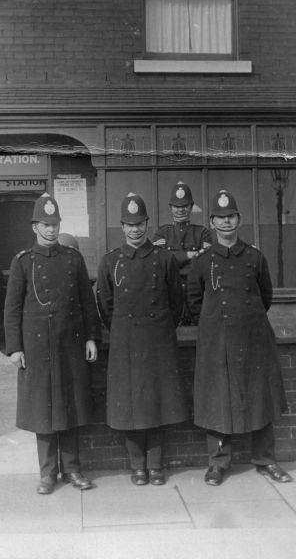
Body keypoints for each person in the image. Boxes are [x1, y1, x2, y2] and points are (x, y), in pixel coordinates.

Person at [187, 189, 292, 486]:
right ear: (212, 222)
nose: (226, 223)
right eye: (220, 218)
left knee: (260, 400)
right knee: (218, 402)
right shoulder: (202, 261)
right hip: (217, 343)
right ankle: (218, 464)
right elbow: (195, 301)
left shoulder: (255, 257)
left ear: (239, 220)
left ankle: (266, 459)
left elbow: (265, 296)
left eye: (230, 217)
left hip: (254, 339)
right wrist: (216, 326)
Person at [4, 193, 101, 495]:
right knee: (43, 410)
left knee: (70, 407)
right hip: (37, 349)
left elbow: (88, 303)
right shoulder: (23, 262)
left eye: (55, 224)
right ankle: (48, 473)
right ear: (34, 226)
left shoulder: (73, 259)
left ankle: (72, 469)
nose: (51, 230)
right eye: (45, 224)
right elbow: (12, 308)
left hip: (69, 345)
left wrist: (91, 337)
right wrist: (15, 347)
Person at [96, 192, 188, 486]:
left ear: (148, 224)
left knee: (158, 403)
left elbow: (177, 302)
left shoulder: (164, 259)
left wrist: (158, 327)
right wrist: (125, 330)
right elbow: (106, 306)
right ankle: (137, 465)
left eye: (139, 224)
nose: (134, 230)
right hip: (126, 344)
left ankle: (156, 465)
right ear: (121, 226)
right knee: (131, 405)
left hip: (158, 340)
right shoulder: (111, 261)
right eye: (128, 224)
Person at [152, 181, 213, 325]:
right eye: (177, 206)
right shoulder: (162, 233)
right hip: (168, 295)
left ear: (191, 207)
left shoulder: (202, 232)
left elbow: (205, 262)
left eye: (185, 206)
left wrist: (173, 257)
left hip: (197, 294)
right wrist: (191, 255)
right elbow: (159, 262)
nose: (181, 210)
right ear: (171, 208)